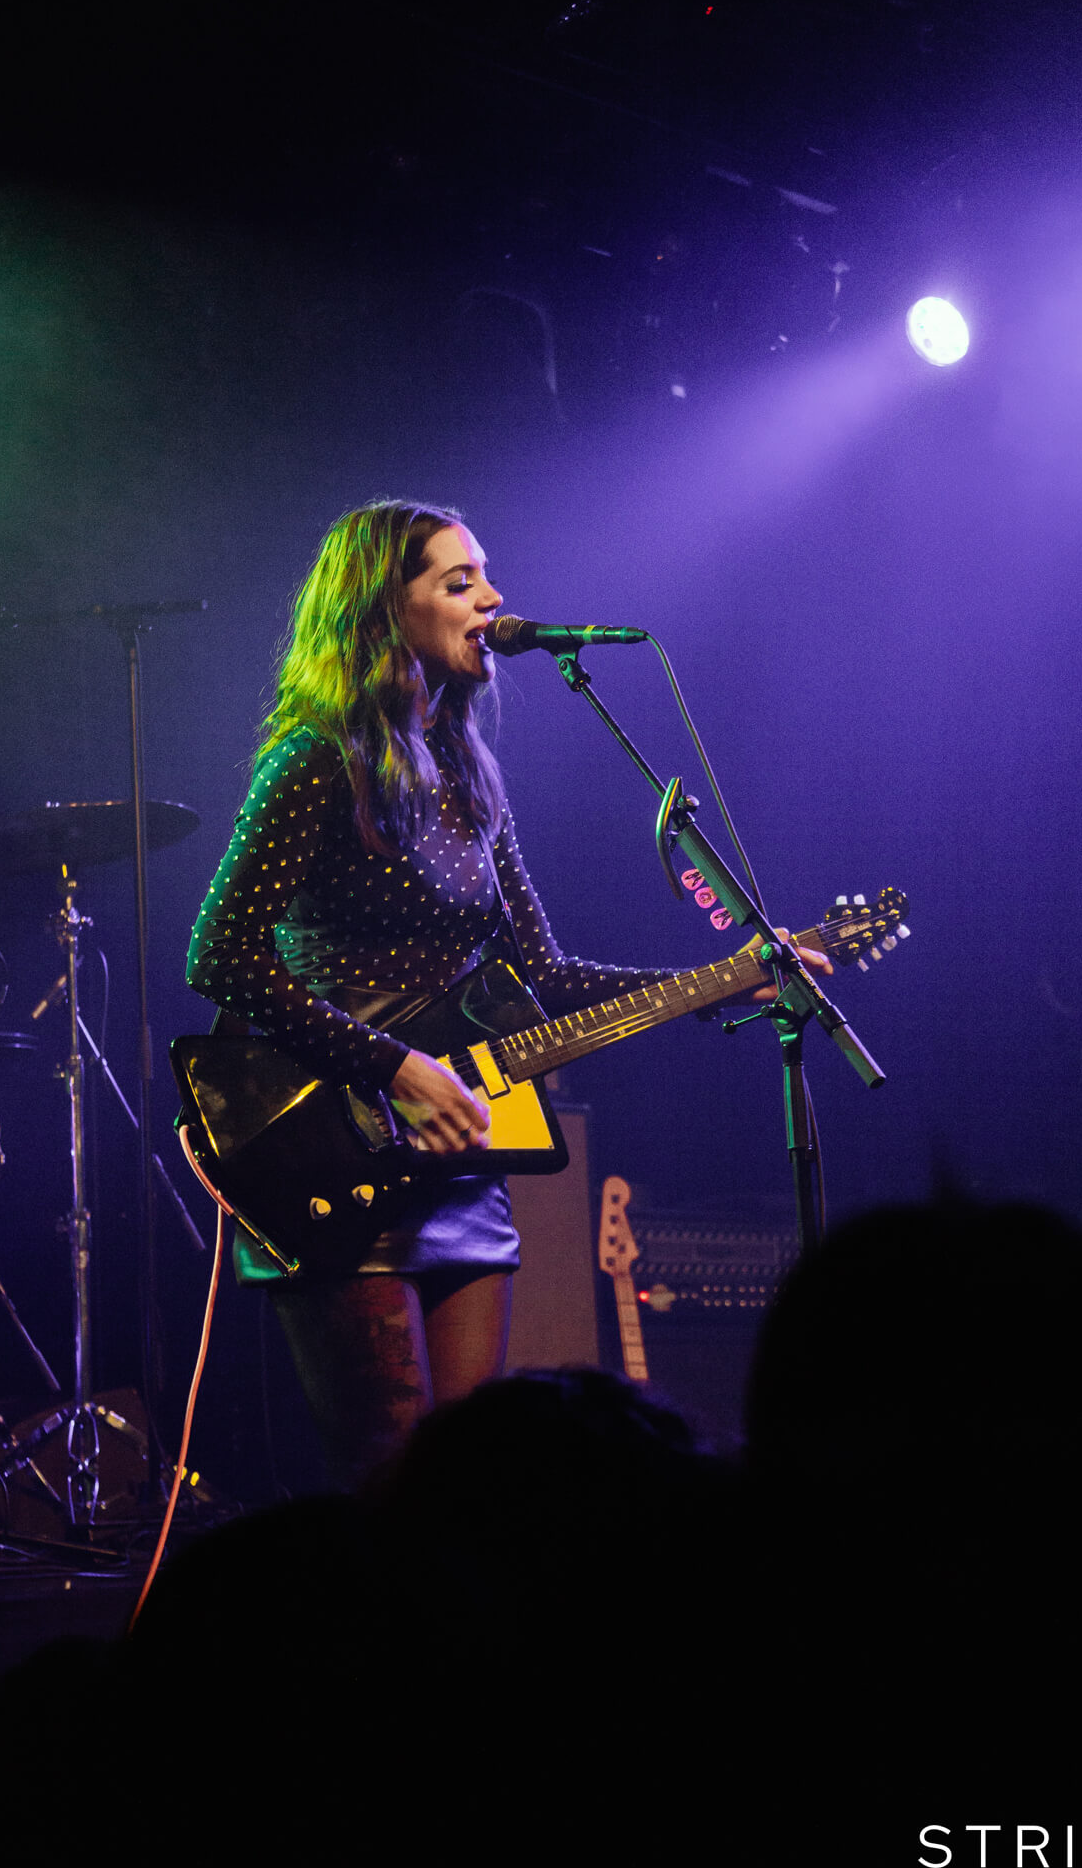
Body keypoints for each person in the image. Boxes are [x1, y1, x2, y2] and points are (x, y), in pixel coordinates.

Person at [185, 499, 827, 1486]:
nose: (491, 599)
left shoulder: (469, 773)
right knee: (391, 1485)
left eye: (486, 575)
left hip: (459, 1161)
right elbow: (220, 954)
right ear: (380, 610)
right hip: (333, 1140)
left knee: (468, 1479)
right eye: (459, 581)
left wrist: (724, 980)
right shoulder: (313, 760)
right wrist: (396, 1069)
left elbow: (546, 976)